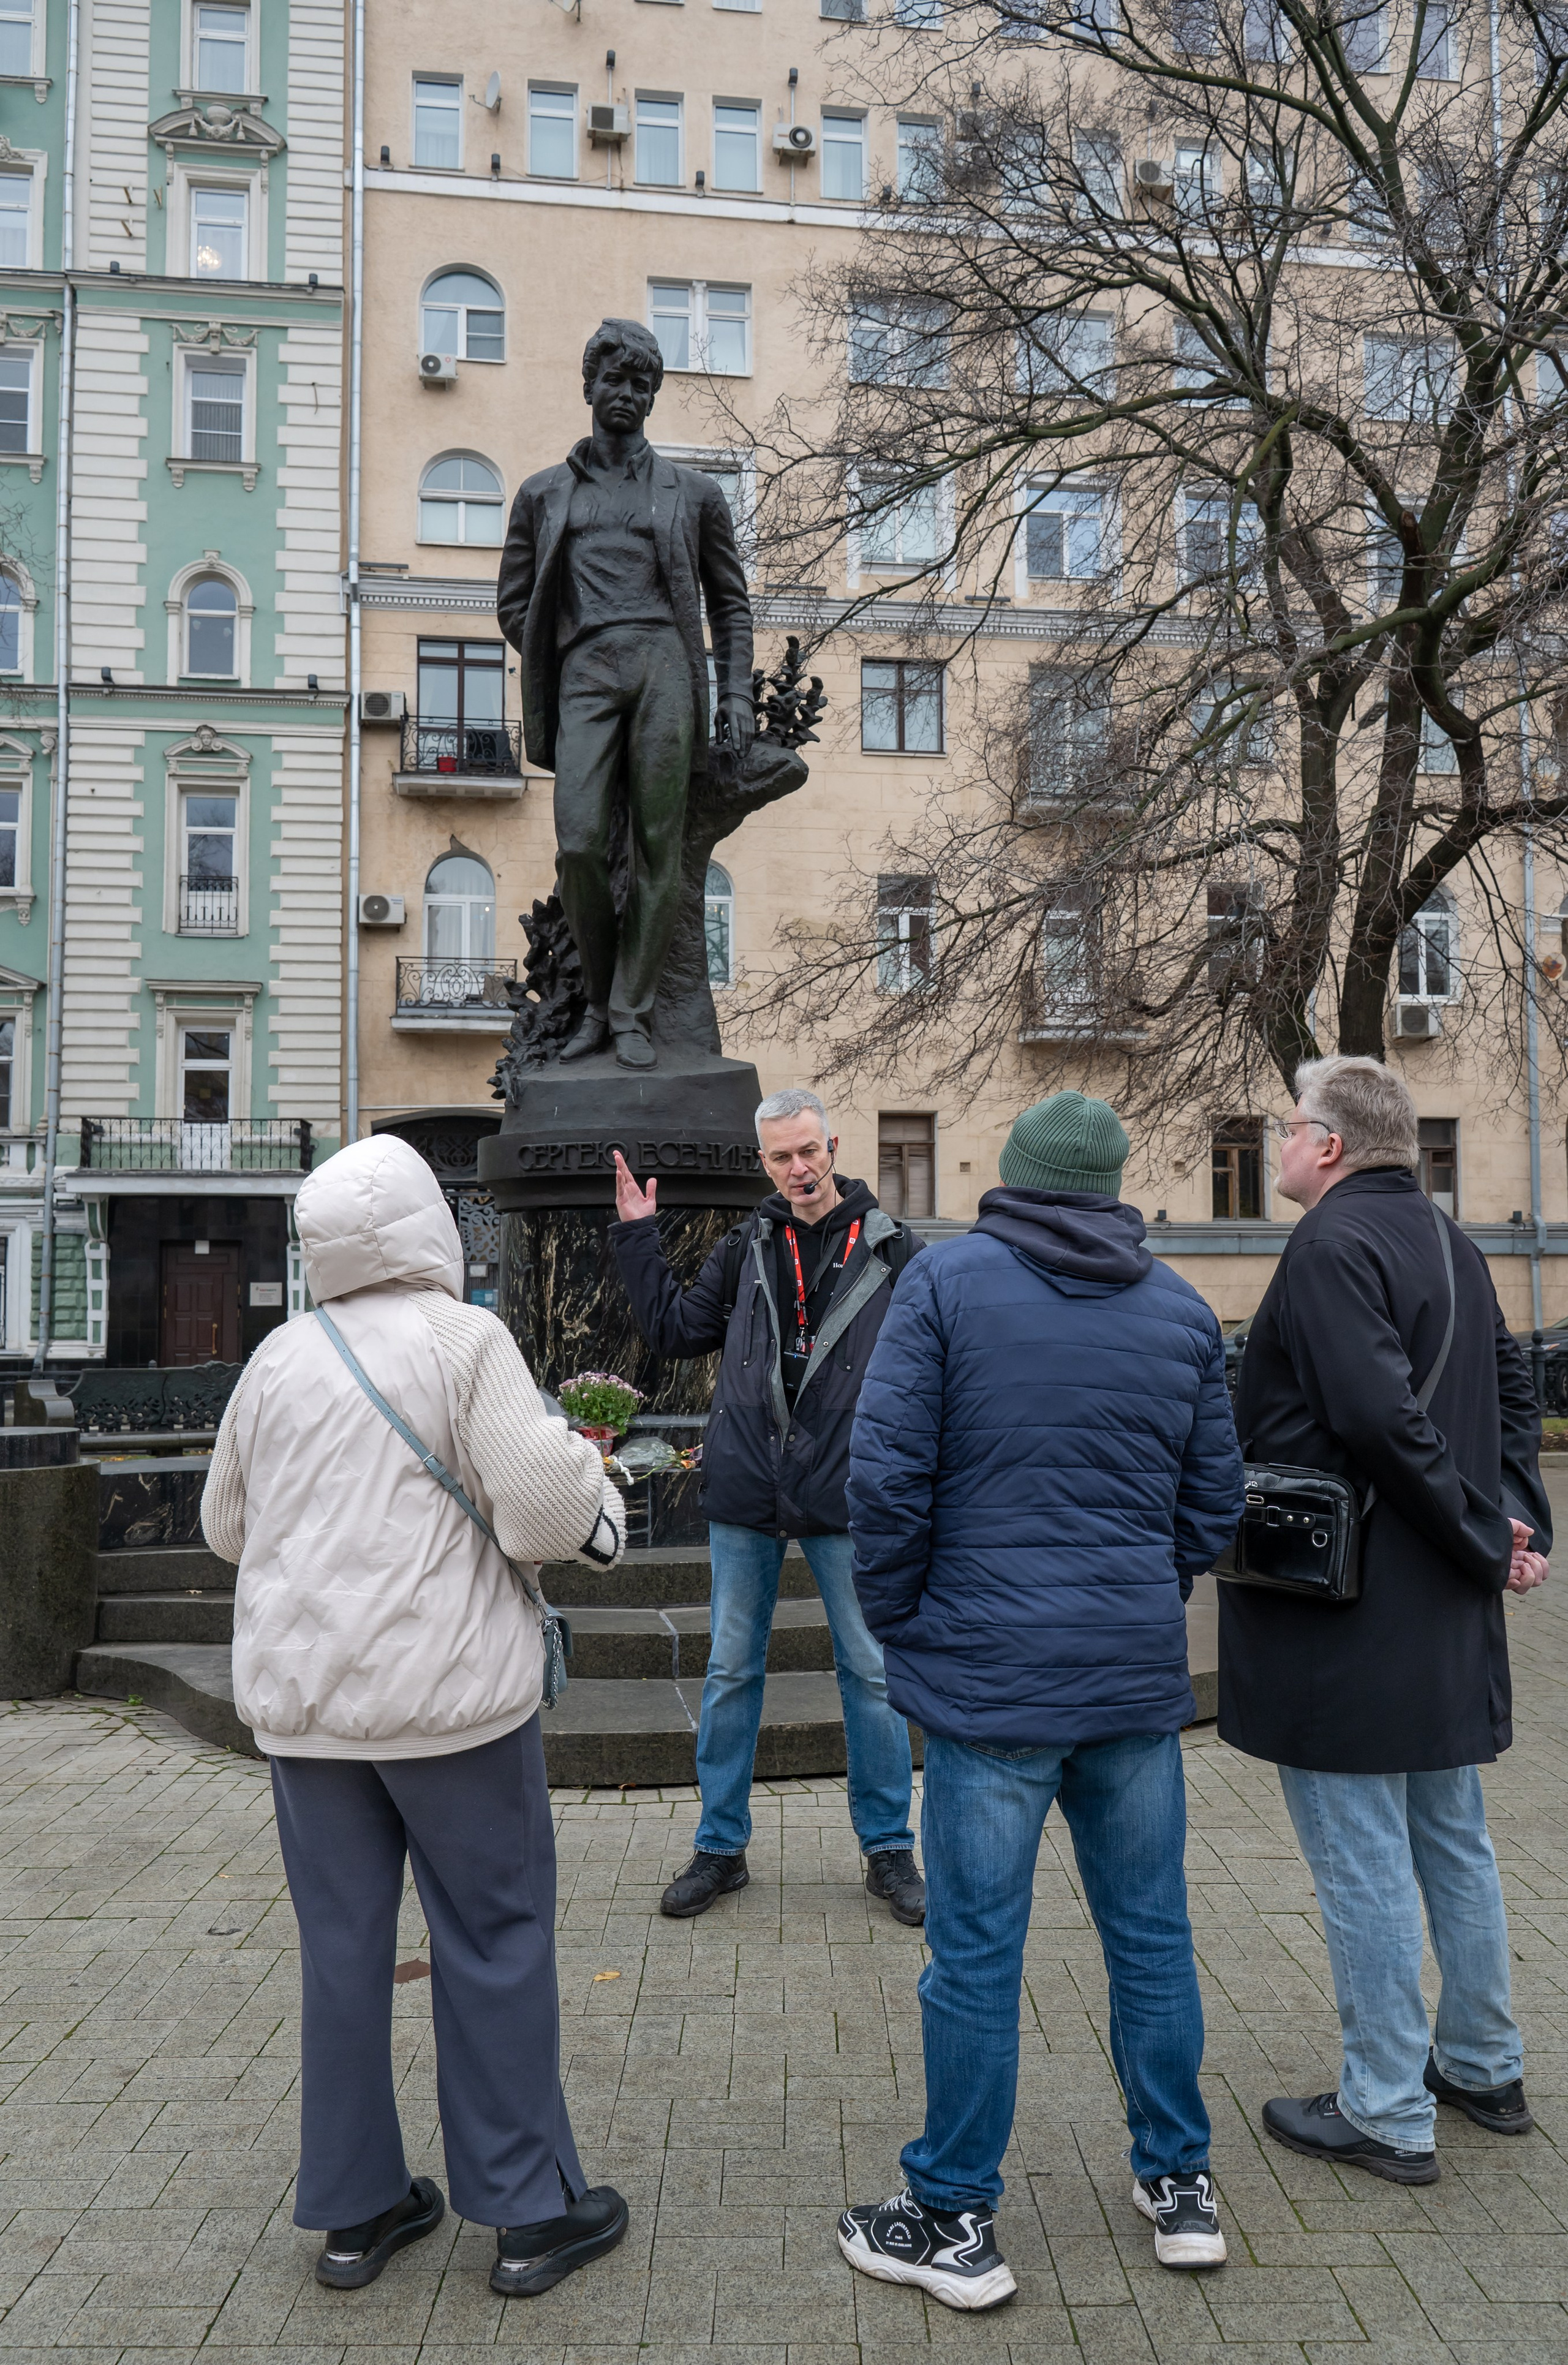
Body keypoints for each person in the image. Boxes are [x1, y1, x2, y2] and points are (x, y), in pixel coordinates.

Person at [200, 1134, 631, 2297]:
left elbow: (225, 1528)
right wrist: (604, 1506)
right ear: (428, 1228)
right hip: (449, 1709)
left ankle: (357, 2210)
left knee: (341, 1952)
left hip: (308, 1716)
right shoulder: (462, 1336)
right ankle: (530, 2210)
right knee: (493, 1939)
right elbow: (539, 1510)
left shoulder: (279, 1357)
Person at [839, 1090, 1244, 2310]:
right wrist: (1138, 1595)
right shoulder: (1176, 1308)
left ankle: (952, 2213)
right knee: (1151, 1940)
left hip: (987, 1685)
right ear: (1114, 1184)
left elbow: (885, 1473)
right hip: (1126, 1679)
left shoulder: (946, 1288)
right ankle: (1178, 2186)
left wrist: (904, 1616)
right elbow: (1211, 1503)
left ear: (1009, 1176)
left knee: (972, 1956)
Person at [1219, 1055, 1551, 2184]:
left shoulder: (1328, 1244)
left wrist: (1477, 1529)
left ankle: (1385, 2109)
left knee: (1362, 1854)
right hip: (1439, 1608)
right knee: (1451, 1838)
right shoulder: (1451, 1240)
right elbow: (1513, 1393)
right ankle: (1481, 2063)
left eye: (1288, 1127)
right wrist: (1512, 1520)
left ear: (1331, 1144)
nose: (1276, 1142)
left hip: (1350, 1608)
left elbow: (1373, 1414)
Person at [610, 1087, 927, 1924]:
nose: (799, 1168)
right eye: (782, 1157)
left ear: (834, 1144)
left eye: (809, 1150)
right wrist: (638, 1236)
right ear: (765, 1163)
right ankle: (721, 1848)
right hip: (749, 1489)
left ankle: (889, 1850)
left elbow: (936, 1373)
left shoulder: (895, 1252)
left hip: (849, 1493)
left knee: (870, 1672)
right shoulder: (744, 1245)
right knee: (729, 1671)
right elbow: (677, 1331)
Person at [495, 316, 753, 1069]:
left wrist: (733, 697)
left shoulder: (694, 493)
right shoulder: (543, 495)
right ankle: (599, 1008)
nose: (627, 394)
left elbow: (730, 603)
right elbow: (514, 601)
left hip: (665, 668)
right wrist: (563, 646)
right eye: (614, 379)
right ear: (588, 386)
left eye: (642, 384)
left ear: (653, 397)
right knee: (577, 844)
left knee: (655, 846)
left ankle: (632, 1012)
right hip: (585, 671)